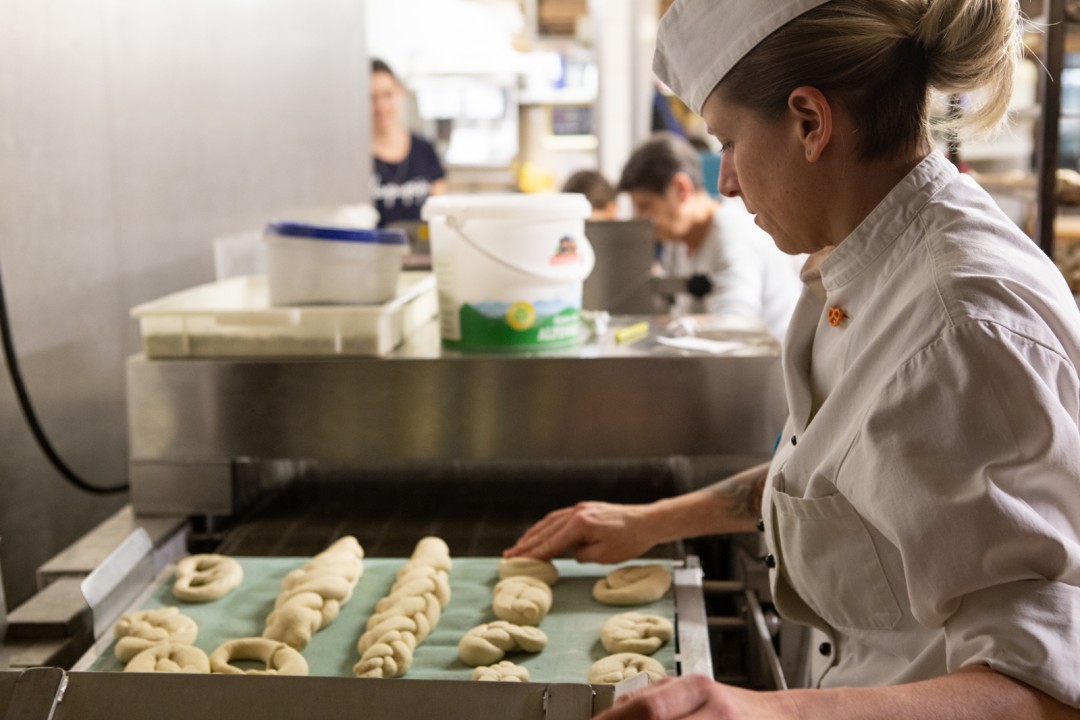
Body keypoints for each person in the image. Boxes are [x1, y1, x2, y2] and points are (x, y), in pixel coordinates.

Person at [506, 0, 1080, 717]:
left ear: (810, 121)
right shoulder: (858, 266)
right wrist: (648, 523)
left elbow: (1047, 687)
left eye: (728, 141)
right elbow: (842, 480)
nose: (725, 181)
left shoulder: (962, 328)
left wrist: (767, 712)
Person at [618, 131, 802, 341]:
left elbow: (734, 326)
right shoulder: (678, 240)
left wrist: (674, 325)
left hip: (768, 359)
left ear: (680, 189)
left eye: (645, 206)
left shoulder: (732, 237)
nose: (640, 218)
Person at [370, 59, 446, 226]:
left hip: (423, 242)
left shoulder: (424, 148)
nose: (381, 105)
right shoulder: (357, 158)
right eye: (372, 98)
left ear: (400, 92)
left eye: (387, 94)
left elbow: (440, 211)